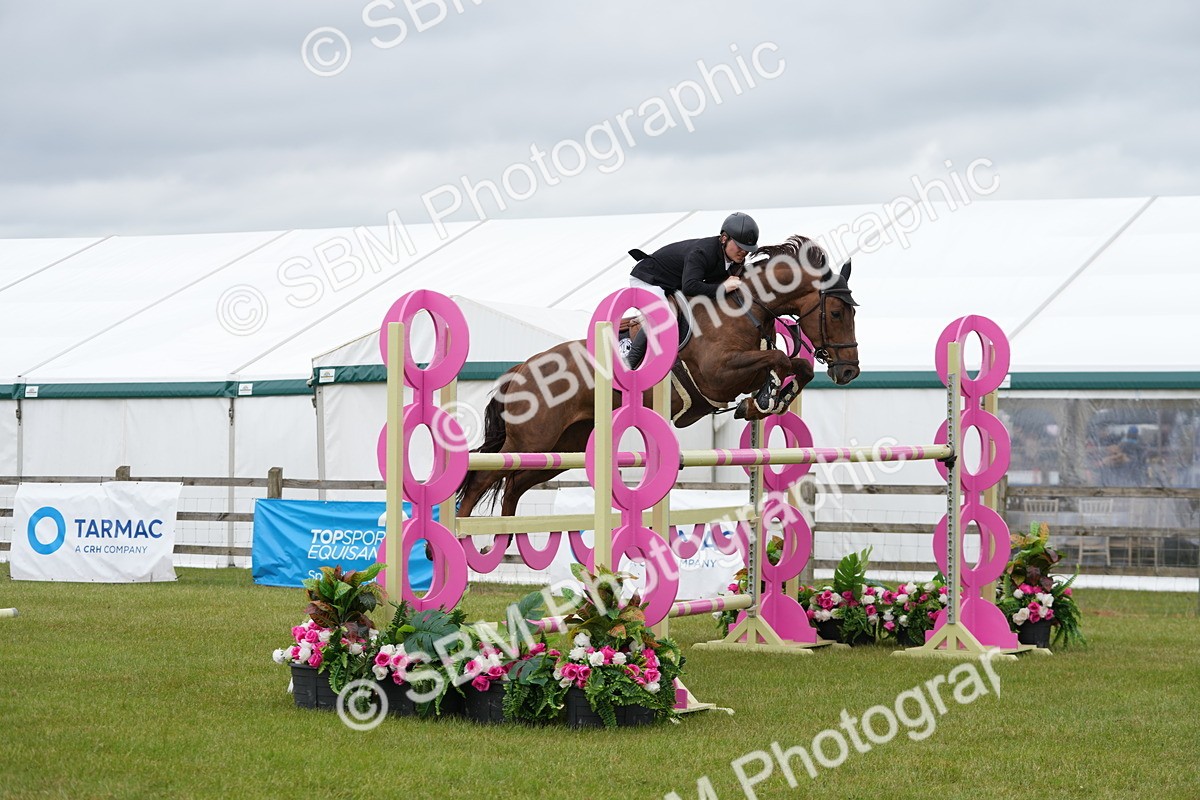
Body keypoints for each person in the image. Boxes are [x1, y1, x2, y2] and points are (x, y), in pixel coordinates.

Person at [624, 212, 760, 368]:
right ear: (724, 238)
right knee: (664, 316)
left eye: (747, 248)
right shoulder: (702, 252)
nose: (744, 251)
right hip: (649, 278)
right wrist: (722, 287)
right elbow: (690, 286)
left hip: (671, 284)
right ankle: (629, 363)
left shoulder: (733, 260)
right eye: (739, 246)